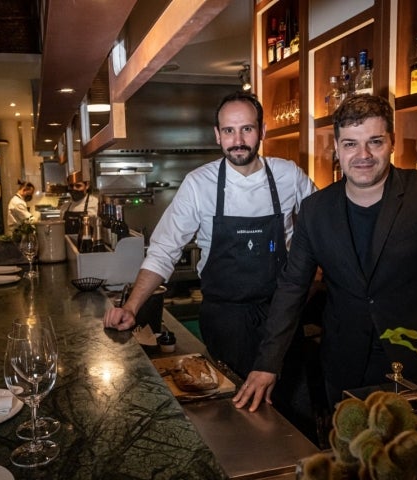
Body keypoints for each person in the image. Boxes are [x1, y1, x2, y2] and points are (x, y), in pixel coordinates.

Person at [253, 94, 417, 411]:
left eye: (375, 142)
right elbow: (292, 286)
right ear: (337, 149)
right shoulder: (315, 209)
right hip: (345, 367)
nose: (363, 155)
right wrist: (268, 362)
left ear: (392, 142)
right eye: (351, 144)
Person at [103, 91, 317, 423]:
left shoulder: (288, 176)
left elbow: (320, 230)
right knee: (232, 414)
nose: (238, 140)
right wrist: (131, 306)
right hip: (225, 319)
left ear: (262, 131)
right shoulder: (199, 184)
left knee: (295, 412)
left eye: (247, 129)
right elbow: (163, 250)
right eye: (229, 131)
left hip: (281, 317)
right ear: (217, 135)